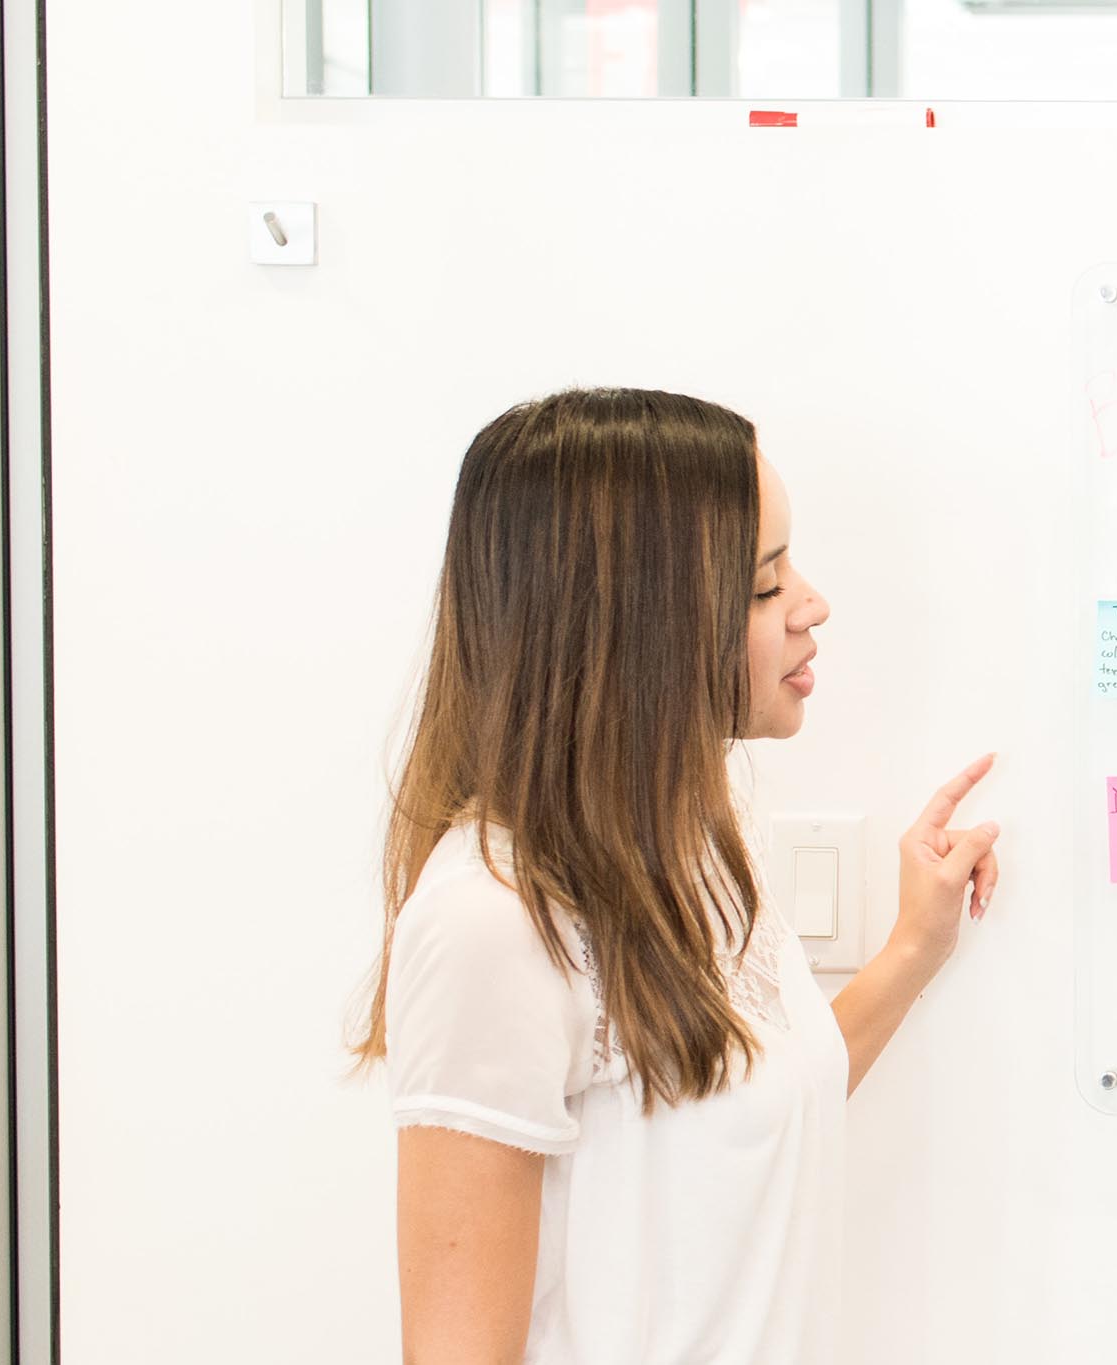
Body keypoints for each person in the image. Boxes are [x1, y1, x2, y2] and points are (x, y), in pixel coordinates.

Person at [354, 388, 1005, 1362]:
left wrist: (914, 947)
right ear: (630, 626)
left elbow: (760, 1108)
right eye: (764, 584)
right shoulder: (489, 920)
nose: (813, 605)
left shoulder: (700, 842)